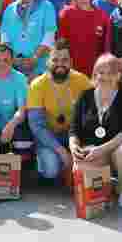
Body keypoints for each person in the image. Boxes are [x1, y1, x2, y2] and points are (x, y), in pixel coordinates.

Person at [69, 54, 122, 208]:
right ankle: (106, 188)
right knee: (80, 166)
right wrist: (74, 146)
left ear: (119, 75)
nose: (105, 77)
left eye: (110, 73)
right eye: (101, 72)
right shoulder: (85, 96)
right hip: (93, 149)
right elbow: (74, 129)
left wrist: (101, 150)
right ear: (95, 74)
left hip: (118, 148)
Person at [27, 40, 93, 183]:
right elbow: (37, 126)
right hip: (49, 136)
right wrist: (61, 150)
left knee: (91, 159)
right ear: (47, 62)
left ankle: (70, 169)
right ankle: (46, 162)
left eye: (64, 60)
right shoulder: (37, 85)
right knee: (51, 169)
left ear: (71, 62)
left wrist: (77, 144)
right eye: (55, 60)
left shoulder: (82, 81)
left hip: (75, 136)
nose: (60, 64)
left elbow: (92, 115)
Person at [0, 0, 57, 80]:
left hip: (39, 68)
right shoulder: (9, 9)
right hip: (14, 67)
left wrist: (34, 58)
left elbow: (49, 37)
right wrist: (13, 59)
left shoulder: (46, 7)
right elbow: (4, 38)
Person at [58, 0, 111, 78]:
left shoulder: (102, 16)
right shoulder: (66, 14)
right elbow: (61, 44)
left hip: (95, 70)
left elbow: (106, 46)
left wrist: (103, 66)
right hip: (71, 70)